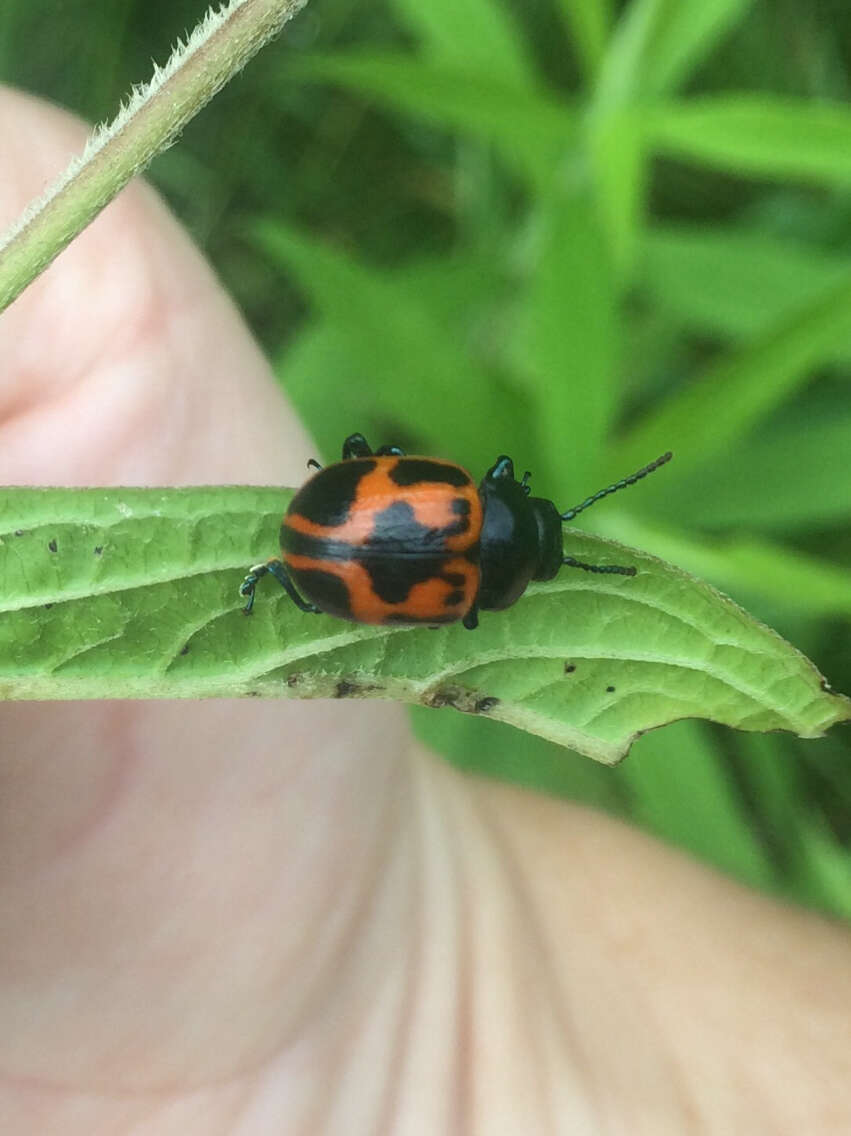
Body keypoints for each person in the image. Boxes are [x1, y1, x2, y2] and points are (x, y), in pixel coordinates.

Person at [1, 87, 849, 1134]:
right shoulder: (457, 594)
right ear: (508, 566)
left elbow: (402, 479)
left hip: (322, 523)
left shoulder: (458, 492)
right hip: (316, 562)